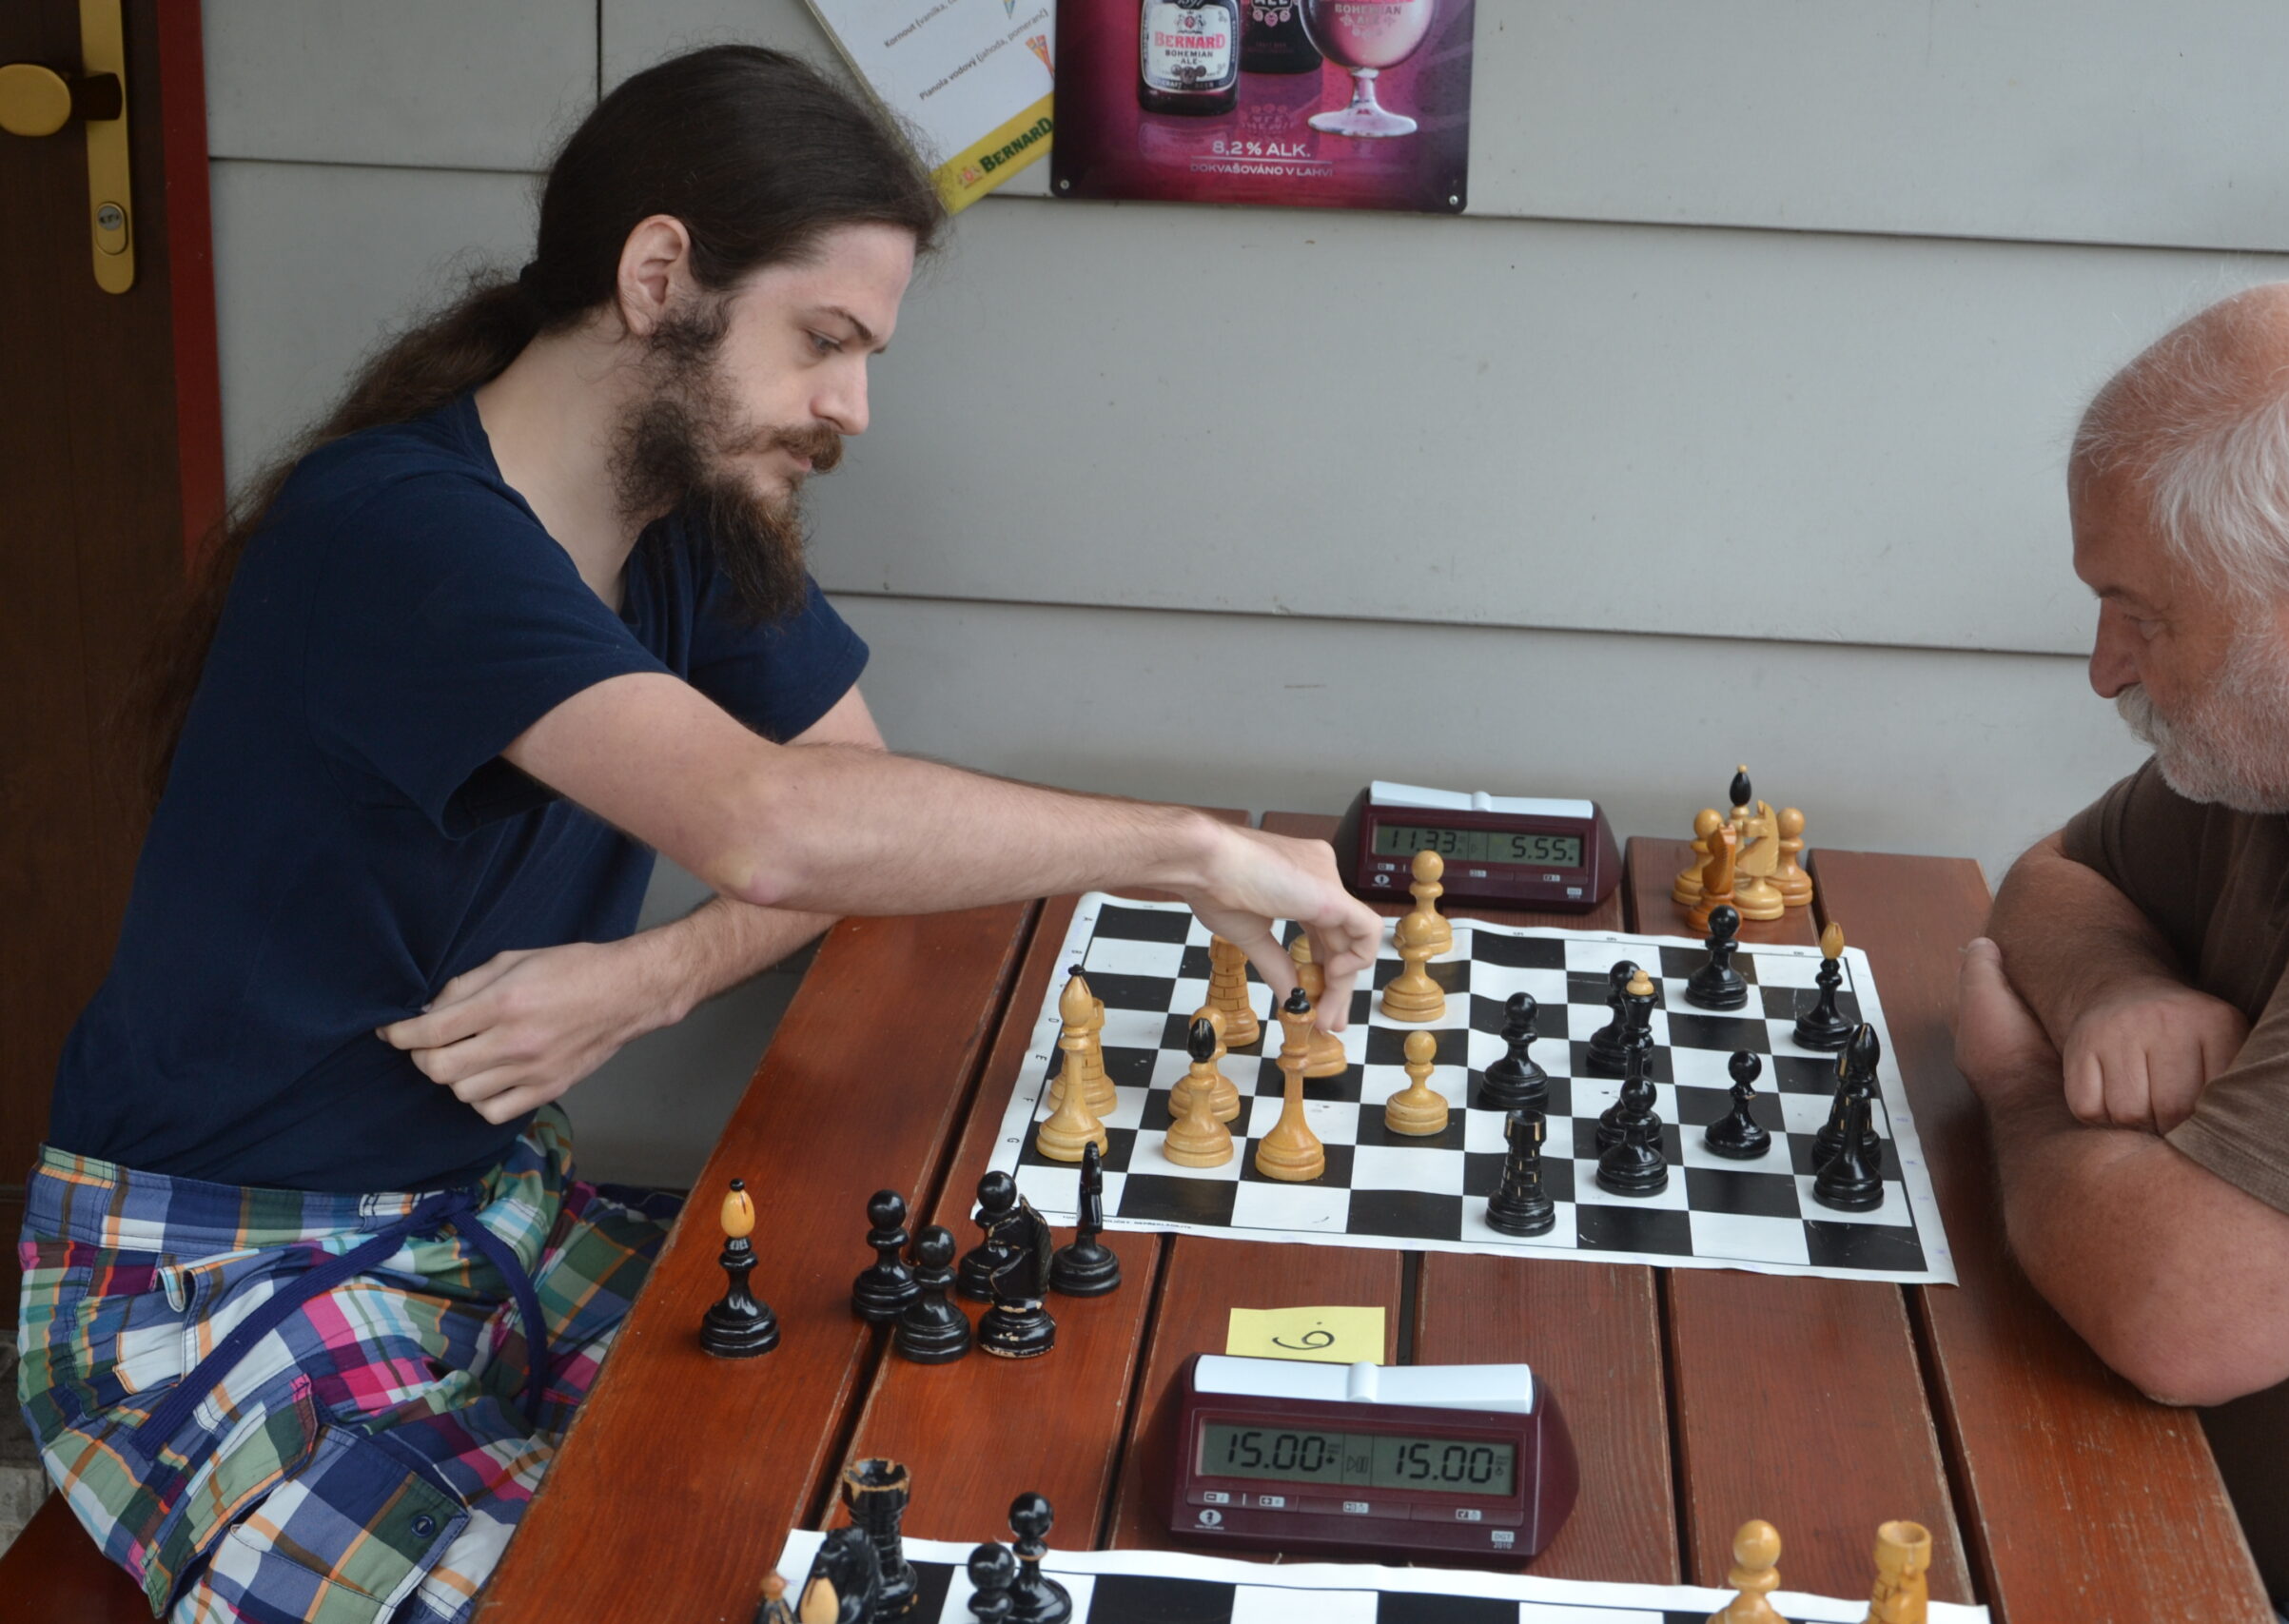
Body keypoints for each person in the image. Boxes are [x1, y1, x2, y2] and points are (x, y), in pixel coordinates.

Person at [16, 46, 1379, 1624]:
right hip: (223, 1275)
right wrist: (1187, 849)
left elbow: (850, 809)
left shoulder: (686, 525)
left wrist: (649, 978)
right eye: (825, 341)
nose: (850, 407)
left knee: (949, 1425)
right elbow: (779, 829)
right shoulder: (400, 533)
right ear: (659, 276)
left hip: (492, 1218)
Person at [1957, 281, 2289, 1624]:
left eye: (2145, 614)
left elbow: (2188, 1316)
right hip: (2146, 1485)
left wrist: (2021, 1086)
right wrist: (2117, 986)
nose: (2107, 668)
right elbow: (2054, 878)